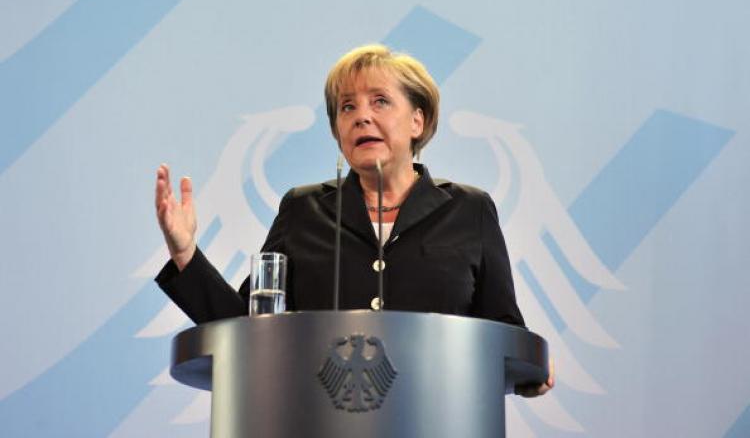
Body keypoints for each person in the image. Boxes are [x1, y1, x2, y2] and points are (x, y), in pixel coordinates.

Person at [154, 44, 553, 396]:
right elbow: (248, 331)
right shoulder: (302, 210)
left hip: (438, 415)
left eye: (380, 101)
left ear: (418, 120)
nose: (361, 116)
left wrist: (530, 370)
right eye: (347, 107)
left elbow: (502, 330)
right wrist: (185, 252)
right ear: (337, 131)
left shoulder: (470, 210)